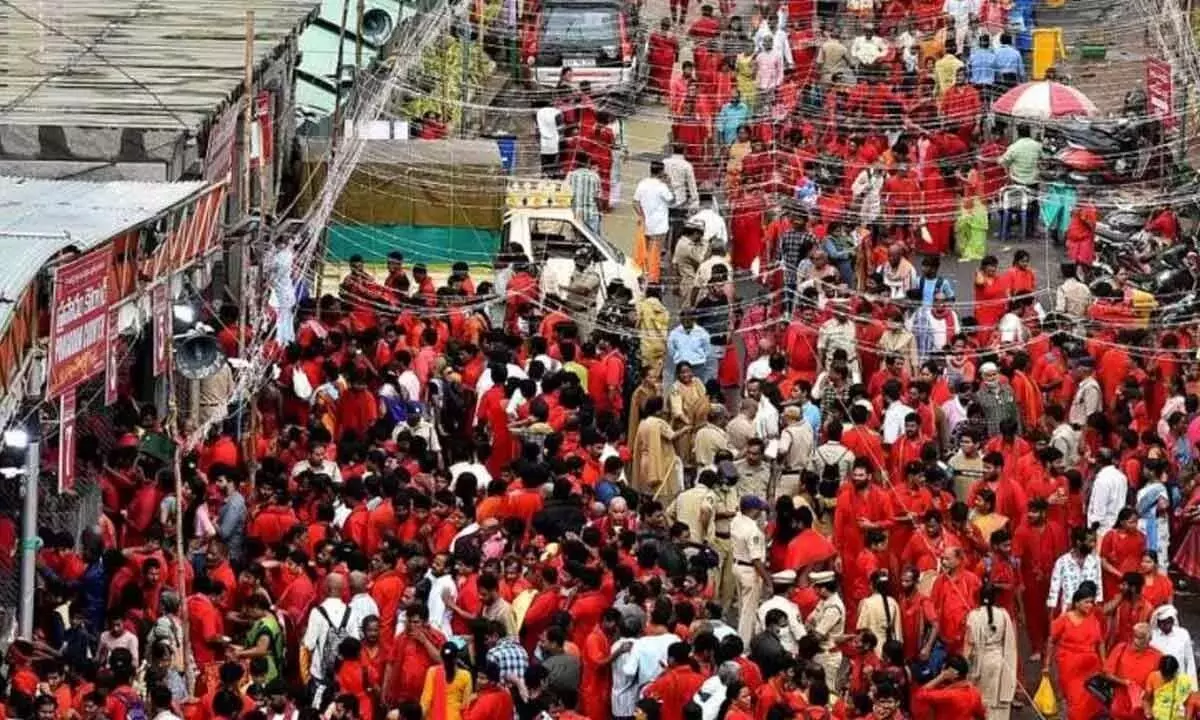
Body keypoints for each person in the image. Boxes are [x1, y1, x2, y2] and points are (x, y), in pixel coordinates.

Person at [1045, 582, 1106, 720]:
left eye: (1091, 602)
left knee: (1090, 701)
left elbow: (1100, 642)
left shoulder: (1093, 620)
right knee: (1074, 700)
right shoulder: (1064, 619)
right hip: (1069, 667)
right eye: (1086, 602)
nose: (1090, 606)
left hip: (1091, 668)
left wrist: (1104, 663)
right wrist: (1047, 664)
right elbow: (1051, 640)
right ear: (1077, 603)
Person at [963, 585, 1017, 720]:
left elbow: (969, 643)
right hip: (1001, 661)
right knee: (997, 700)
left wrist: (963, 665)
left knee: (983, 700)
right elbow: (1010, 639)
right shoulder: (1004, 614)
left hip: (982, 663)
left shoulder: (974, 616)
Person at [635, 161, 676, 282]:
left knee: (646, 252)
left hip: (646, 225)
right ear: (661, 172)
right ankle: (653, 279)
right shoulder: (662, 186)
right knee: (656, 254)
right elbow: (672, 200)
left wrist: (642, 216)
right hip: (659, 226)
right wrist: (669, 184)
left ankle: (645, 275)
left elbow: (635, 202)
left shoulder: (642, 183)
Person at [420, 644, 472, 720]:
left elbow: (426, 700)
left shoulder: (432, 671)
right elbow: (466, 705)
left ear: (441, 656)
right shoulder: (466, 675)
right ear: (457, 658)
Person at [1149, 605, 1197, 685]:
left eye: (1168, 622)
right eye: (1162, 622)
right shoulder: (1152, 636)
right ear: (1158, 622)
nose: (1165, 625)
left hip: (1179, 683)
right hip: (1159, 684)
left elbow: (1189, 660)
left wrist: (1192, 685)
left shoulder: (1183, 634)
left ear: (1173, 621)